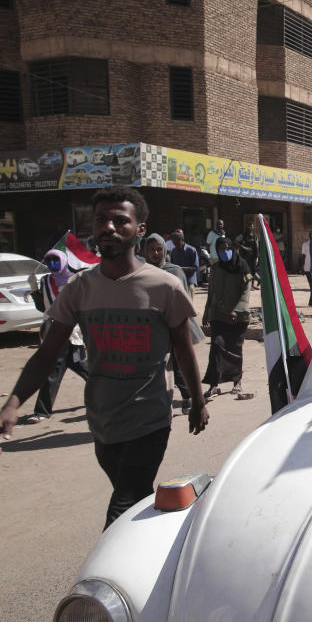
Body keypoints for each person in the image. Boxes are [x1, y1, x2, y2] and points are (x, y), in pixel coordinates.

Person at [0, 186, 208, 528]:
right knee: (134, 499)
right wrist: (13, 403)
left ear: (140, 229)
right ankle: (153, 549)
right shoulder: (80, 288)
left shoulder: (164, 286)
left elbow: (183, 350)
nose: (108, 227)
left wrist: (197, 401)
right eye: (101, 219)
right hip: (103, 421)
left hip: (149, 418)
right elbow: (48, 353)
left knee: (121, 507)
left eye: (120, 220)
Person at [25, 249, 90, 424]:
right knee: (73, 366)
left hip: (72, 332)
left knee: (57, 369)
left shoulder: (74, 281)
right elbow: (43, 307)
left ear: (63, 261)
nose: (52, 263)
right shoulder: (45, 281)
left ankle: (42, 411)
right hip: (52, 330)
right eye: (49, 260)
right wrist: (34, 290)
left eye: (56, 259)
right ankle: (42, 411)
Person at [144, 234, 205, 413]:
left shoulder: (174, 271)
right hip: (152, 328)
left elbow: (182, 301)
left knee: (180, 365)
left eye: (159, 249)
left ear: (164, 250)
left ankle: (188, 396)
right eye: (152, 249)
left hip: (175, 325)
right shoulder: (140, 273)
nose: (155, 253)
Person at [202, 237, 252, 397]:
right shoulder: (215, 268)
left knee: (235, 348)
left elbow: (246, 291)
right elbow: (211, 291)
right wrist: (206, 311)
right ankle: (213, 384)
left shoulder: (243, 266)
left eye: (227, 248)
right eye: (221, 248)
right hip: (218, 314)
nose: (225, 251)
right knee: (216, 347)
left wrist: (236, 310)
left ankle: (237, 381)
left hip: (238, 316)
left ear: (232, 248)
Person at [169, 230, 200, 296]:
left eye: (177, 242)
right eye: (173, 242)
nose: (175, 244)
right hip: (178, 282)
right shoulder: (174, 251)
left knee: (189, 303)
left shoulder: (191, 250)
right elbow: (172, 266)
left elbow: (195, 268)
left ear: (182, 240)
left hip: (189, 282)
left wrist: (182, 269)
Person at [235, 223, 260, 288]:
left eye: (252, 226)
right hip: (246, 256)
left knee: (253, 271)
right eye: (250, 226)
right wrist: (244, 248)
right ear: (247, 227)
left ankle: (252, 285)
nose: (251, 227)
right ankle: (246, 284)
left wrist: (257, 254)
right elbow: (236, 241)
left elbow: (257, 245)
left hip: (253, 256)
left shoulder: (255, 235)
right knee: (247, 270)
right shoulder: (243, 235)